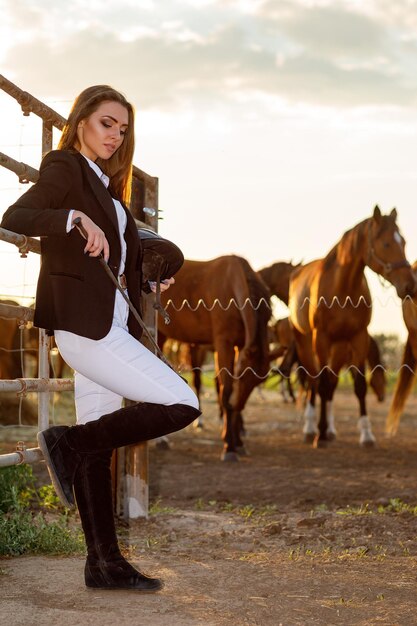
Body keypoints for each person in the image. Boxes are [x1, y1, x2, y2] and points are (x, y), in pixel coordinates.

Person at [1, 85, 200, 592]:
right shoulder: (64, 165)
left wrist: (149, 278)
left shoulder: (111, 191)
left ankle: (103, 564)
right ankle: (67, 444)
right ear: (82, 120)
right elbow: (15, 217)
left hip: (109, 325)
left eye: (123, 129)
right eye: (106, 123)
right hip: (84, 328)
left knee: (100, 444)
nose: (115, 135)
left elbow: (116, 262)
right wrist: (72, 217)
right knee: (182, 400)